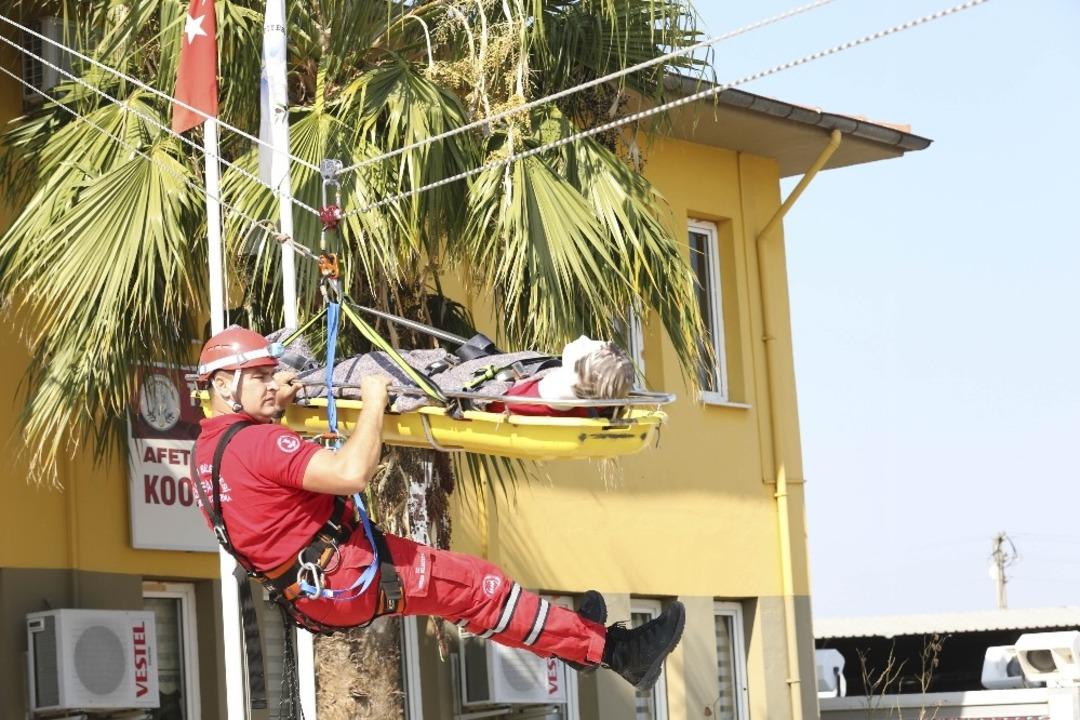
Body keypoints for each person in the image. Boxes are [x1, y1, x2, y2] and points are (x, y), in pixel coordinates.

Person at [193, 326, 684, 691]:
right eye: (256, 377)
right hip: (345, 573)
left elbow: (271, 491)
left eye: (267, 375)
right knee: (478, 588)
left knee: (475, 589)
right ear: (221, 385)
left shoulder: (207, 450)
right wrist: (372, 402)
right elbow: (350, 474)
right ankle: (617, 653)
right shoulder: (257, 444)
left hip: (321, 581)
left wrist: (277, 401)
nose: (269, 385)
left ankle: (576, 639)